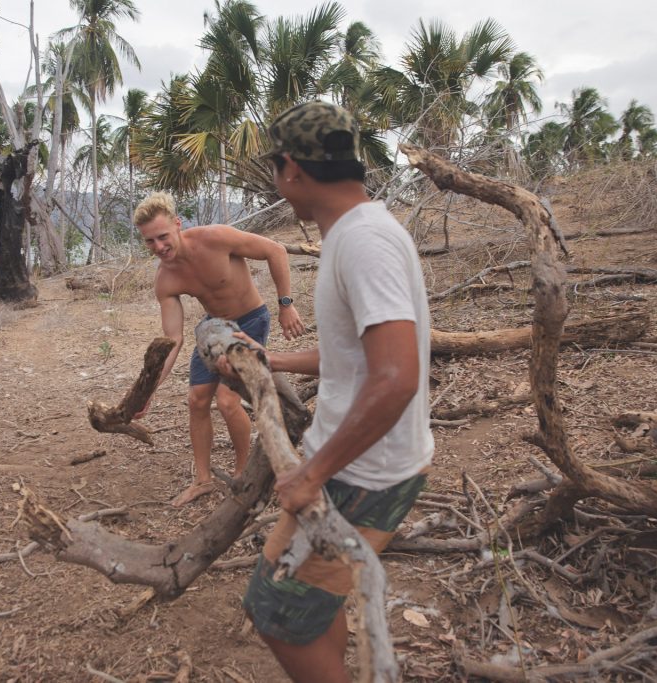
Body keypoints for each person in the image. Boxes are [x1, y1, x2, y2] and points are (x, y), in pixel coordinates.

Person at [232, 101, 434, 682]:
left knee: (276, 610)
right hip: (358, 461)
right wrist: (272, 362)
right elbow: (358, 359)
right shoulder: (359, 230)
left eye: (275, 168)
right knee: (307, 603)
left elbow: (395, 377)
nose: (276, 179)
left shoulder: (363, 242)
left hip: (365, 474)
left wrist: (312, 472)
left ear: (292, 169)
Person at [133, 191, 305, 507]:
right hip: (214, 329)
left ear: (177, 224)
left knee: (227, 402)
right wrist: (149, 391)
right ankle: (203, 480)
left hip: (251, 320)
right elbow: (173, 340)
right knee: (197, 400)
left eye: (163, 236)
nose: (159, 247)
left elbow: (275, 251)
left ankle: (243, 474)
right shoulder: (166, 280)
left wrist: (286, 305)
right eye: (149, 242)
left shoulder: (216, 238)